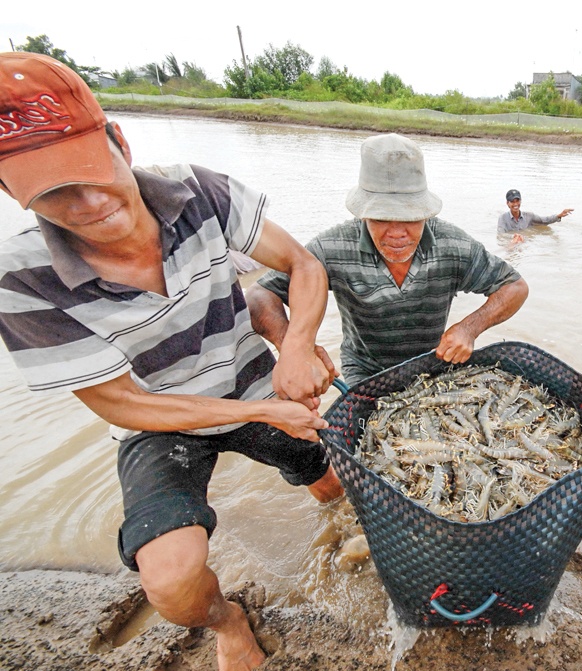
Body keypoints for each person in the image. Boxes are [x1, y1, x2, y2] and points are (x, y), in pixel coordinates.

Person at [0, 53, 343, 671]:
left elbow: (303, 263)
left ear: (117, 139)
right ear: (10, 191)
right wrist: (265, 408)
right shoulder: (22, 281)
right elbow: (123, 403)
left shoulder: (199, 192)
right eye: (51, 191)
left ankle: (335, 519)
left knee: (329, 480)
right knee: (172, 584)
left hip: (252, 384)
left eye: (88, 170)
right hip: (160, 424)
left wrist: (295, 345)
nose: (85, 203)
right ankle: (229, 620)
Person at [247, 133, 529, 385]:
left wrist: (469, 328)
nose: (396, 233)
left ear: (425, 212)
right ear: (363, 212)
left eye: (409, 217)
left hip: (430, 366)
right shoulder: (331, 249)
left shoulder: (452, 245)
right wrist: (296, 350)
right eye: (381, 217)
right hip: (365, 371)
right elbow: (260, 294)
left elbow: (514, 287)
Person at [497, 188, 573, 242]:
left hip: (525, 242)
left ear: (521, 201)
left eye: (517, 201)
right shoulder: (503, 218)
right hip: (512, 242)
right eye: (512, 202)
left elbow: (545, 220)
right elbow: (501, 235)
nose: (515, 204)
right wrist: (513, 236)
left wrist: (559, 215)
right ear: (507, 203)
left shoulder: (529, 216)